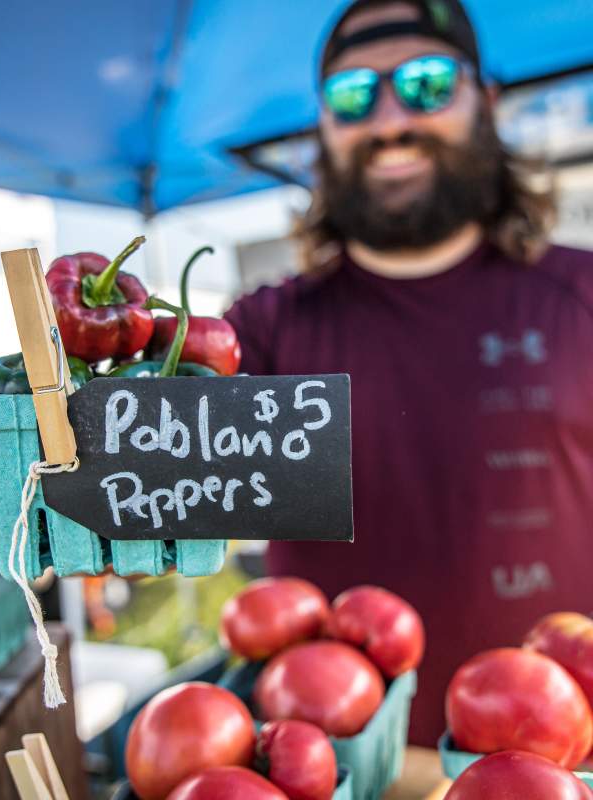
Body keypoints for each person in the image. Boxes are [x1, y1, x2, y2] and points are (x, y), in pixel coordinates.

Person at [225, 0, 593, 746]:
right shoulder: (257, 334)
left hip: (556, 769)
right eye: (353, 94)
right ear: (323, 128)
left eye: (427, 83)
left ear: (485, 103)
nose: (390, 119)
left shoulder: (584, 297)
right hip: (328, 769)